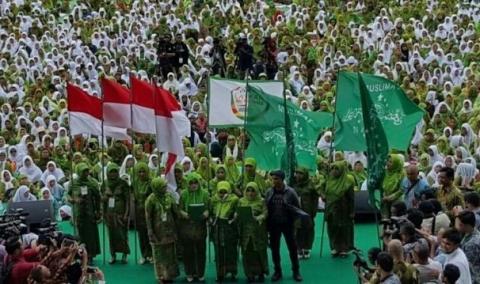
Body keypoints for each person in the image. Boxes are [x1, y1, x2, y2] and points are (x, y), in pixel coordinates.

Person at [265, 170, 302, 282]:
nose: (273, 181)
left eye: (276, 179)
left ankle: (296, 271)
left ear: (282, 179)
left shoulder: (291, 192)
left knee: (292, 248)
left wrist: (296, 223)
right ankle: (277, 271)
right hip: (274, 224)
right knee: (275, 249)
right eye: (272, 179)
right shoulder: (269, 192)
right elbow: (266, 207)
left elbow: (297, 208)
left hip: (288, 224)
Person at [145, 177, 180, 283]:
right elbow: (148, 217)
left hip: (170, 230)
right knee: (159, 254)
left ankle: (170, 274)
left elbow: (175, 212)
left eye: (165, 186)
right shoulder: (150, 199)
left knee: (170, 254)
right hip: (158, 231)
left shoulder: (169, 196)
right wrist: (150, 231)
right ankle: (161, 276)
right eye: (163, 186)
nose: (165, 188)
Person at [178, 173, 210, 282]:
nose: (193, 185)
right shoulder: (184, 194)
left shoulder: (205, 194)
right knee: (188, 251)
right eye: (191, 183)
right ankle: (189, 273)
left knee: (201, 250)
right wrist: (183, 214)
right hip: (187, 227)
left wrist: (206, 213)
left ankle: (200, 273)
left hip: (200, 226)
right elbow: (179, 209)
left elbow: (209, 208)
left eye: (195, 182)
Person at [67, 162, 101, 263]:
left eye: (87, 171)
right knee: (80, 234)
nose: (86, 173)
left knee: (91, 235)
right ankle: (81, 253)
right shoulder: (73, 183)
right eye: (83, 171)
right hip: (79, 213)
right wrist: (73, 200)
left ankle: (90, 254)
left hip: (90, 212)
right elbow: (68, 195)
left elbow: (97, 197)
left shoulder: (92, 182)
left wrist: (98, 211)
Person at [237, 181, 269, 283]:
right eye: (248, 190)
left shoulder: (261, 201)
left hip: (258, 232)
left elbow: (265, 213)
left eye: (253, 191)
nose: (250, 193)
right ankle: (249, 274)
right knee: (247, 252)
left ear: (257, 191)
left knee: (259, 252)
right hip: (245, 232)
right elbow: (237, 213)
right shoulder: (241, 201)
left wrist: (258, 218)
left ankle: (261, 273)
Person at [324, 161, 355, 257]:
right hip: (331, 209)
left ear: (342, 170)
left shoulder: (348, 182)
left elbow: (351, 198)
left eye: (336, 168)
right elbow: (326, 193)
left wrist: (352, 211)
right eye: (332, 168)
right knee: (332, 228)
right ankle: (335, 247)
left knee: (343, 229)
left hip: (343, 210)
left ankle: (344, 248)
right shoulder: (329, 180)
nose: (334, 171)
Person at [210, 181, 239, 282]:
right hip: (217, 229)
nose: (222, 194)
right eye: (220, 192)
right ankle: (220, 274)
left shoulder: (234, 199)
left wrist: (235, 216)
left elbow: (238, 212)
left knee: (231, 251)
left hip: (230, 229)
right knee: (219, 252)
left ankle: (232, 273)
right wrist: (210, 219)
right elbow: (209, 212)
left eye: (224, 191)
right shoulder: (214, 199)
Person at [103, 163, 130, 264]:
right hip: (109, 214)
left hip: (121, 213)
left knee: (123, 234)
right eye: (111, 172)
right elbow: (102, 199)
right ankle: (113, 255)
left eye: (115, 172)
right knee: (112, 235)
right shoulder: (105, 183)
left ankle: (124, 254)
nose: (113, 174)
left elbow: (127, 200)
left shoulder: (123, 184)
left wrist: (126, 214)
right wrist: (106, 196)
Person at [293, 166, 319, 259]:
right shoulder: (293, 185)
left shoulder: (311, 186)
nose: (298, 175)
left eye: (301, 173)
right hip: (296, 212)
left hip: (308, 212)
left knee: (308, 230)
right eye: (297, 173)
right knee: (297, 230)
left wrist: (314, 211)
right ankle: (299, 248)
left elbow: (315, 200)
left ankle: (307, 248)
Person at [132, 162, 153, 264]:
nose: (141, 174)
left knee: (150, 233)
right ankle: (144, 254)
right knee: (142, 234)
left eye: (143, 171)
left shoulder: (151, 183)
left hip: (149, 212)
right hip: (138, 212)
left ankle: (151, 254)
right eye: (139, 172)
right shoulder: (135, 183)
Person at [455, 211, 480, 283]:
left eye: (460, 225)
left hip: (472, 278)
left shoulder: (472, 244)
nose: (458, 226)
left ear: (466, 225)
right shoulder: (472, 232)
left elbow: (468, 265)